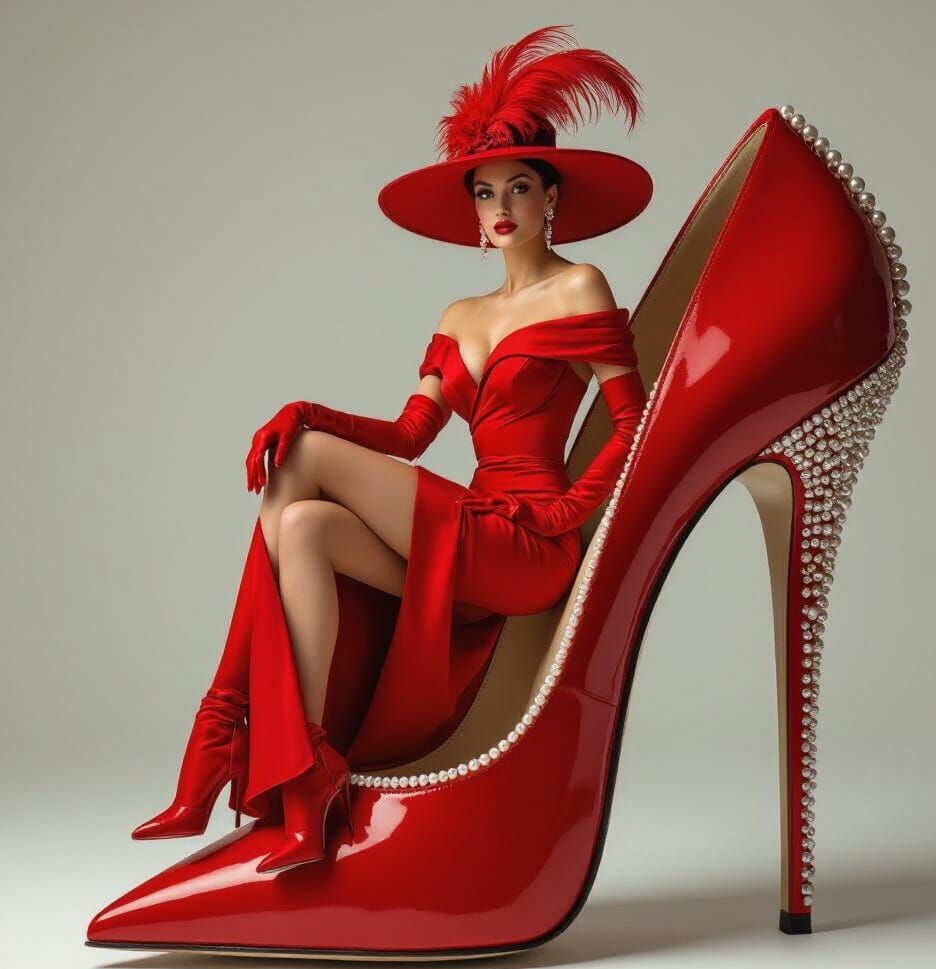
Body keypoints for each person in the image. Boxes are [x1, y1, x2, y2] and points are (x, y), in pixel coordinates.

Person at [131, 23, 654, 874]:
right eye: (485, 192)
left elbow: (635, 421)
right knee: (301, 526)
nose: (501, 207)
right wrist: (310, 409)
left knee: (302, 460)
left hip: (528, 541)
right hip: (472, 522)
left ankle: (220, 733)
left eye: (520, 188)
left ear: (551, 198)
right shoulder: (461, 316)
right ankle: (307, 777)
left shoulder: (579, 288)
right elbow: (411, 436)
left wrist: (568, 513)